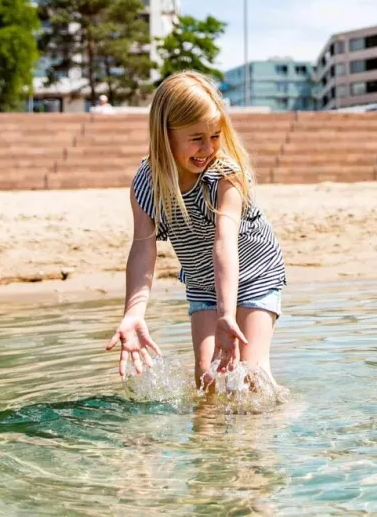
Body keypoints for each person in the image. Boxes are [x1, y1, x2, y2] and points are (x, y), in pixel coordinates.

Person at [106, 71, 287, 391]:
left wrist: (226, 314)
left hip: (255, 275)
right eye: (196, 138)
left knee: (251, 374)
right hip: (204, 284)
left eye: (215, 136)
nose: (207, 148)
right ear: (166, 135)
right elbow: (142, 248)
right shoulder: (148, 183)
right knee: (207, 380)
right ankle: (210, 441)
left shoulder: (226, 176)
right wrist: (134, 311)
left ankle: (277, 424)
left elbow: (224, 243)